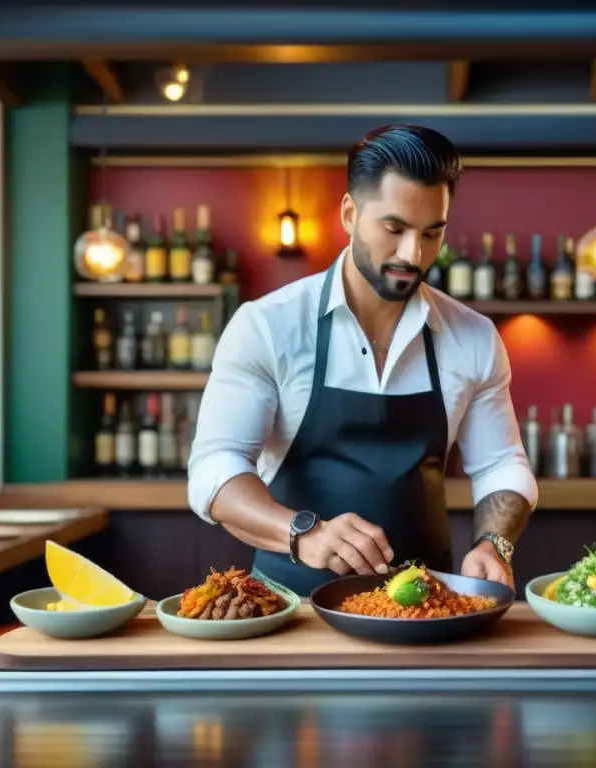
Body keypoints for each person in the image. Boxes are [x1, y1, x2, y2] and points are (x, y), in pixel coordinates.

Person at [187, 124, 538, 597]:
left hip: (427, 607)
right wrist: (302, 532)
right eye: (394, 229)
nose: (412, 254)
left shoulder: (472, 337)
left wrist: (495, 544)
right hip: (290, 609)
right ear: (350, 214)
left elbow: (500, 464)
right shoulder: (267, 326)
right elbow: (215, 468)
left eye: (432, 234)